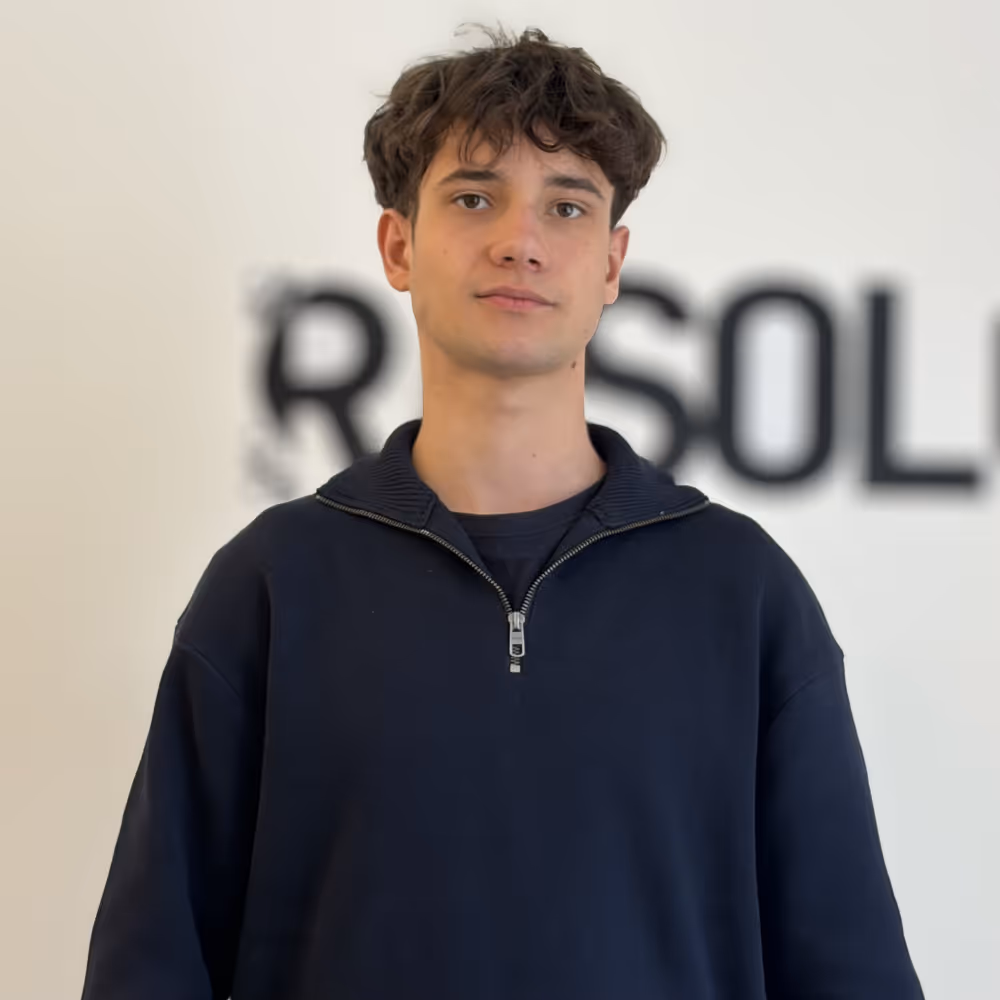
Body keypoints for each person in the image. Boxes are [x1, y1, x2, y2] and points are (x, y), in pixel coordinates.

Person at [81, 24, 925, 1000]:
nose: (520, 241)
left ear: (611, 265)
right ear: (398, 244)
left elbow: (851, 974)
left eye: (566, 206)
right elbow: (148, 969)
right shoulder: (272, 585)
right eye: (474, 196)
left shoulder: (743, 594)